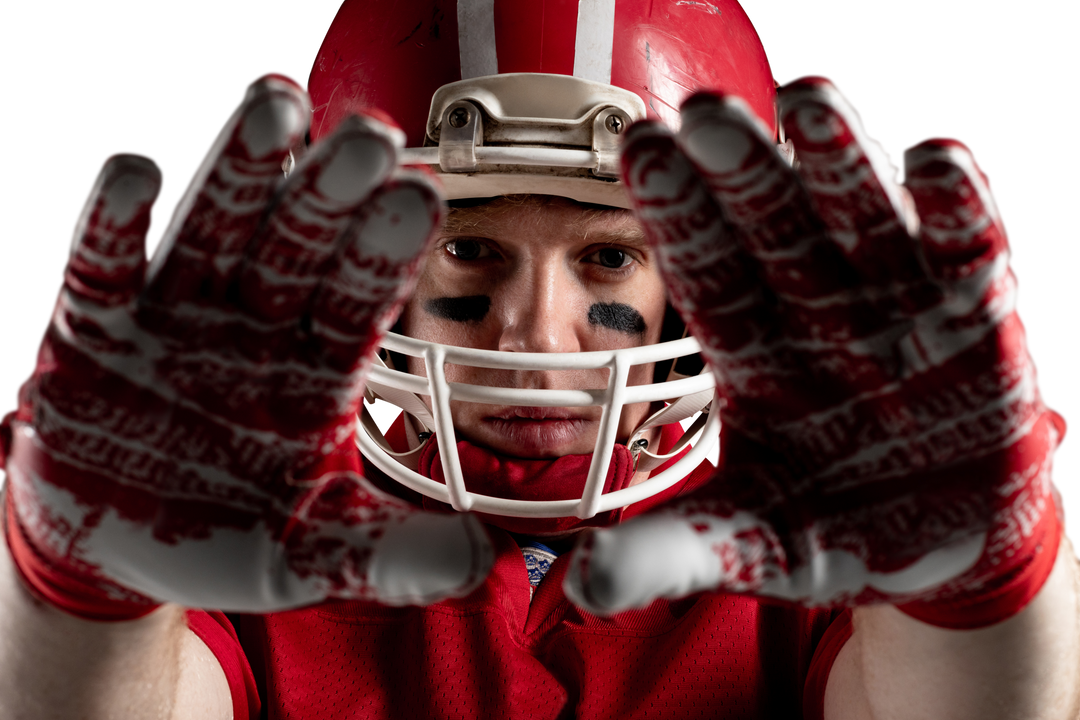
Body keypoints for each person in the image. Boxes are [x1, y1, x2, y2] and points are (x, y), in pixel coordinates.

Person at [1, 2, 1077, 719]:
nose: (533, 334)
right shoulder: (243, 522)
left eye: (608, 256)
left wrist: (978, 588)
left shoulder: (818, 522)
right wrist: (89, 593)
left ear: (699, 273)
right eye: (468, 248)